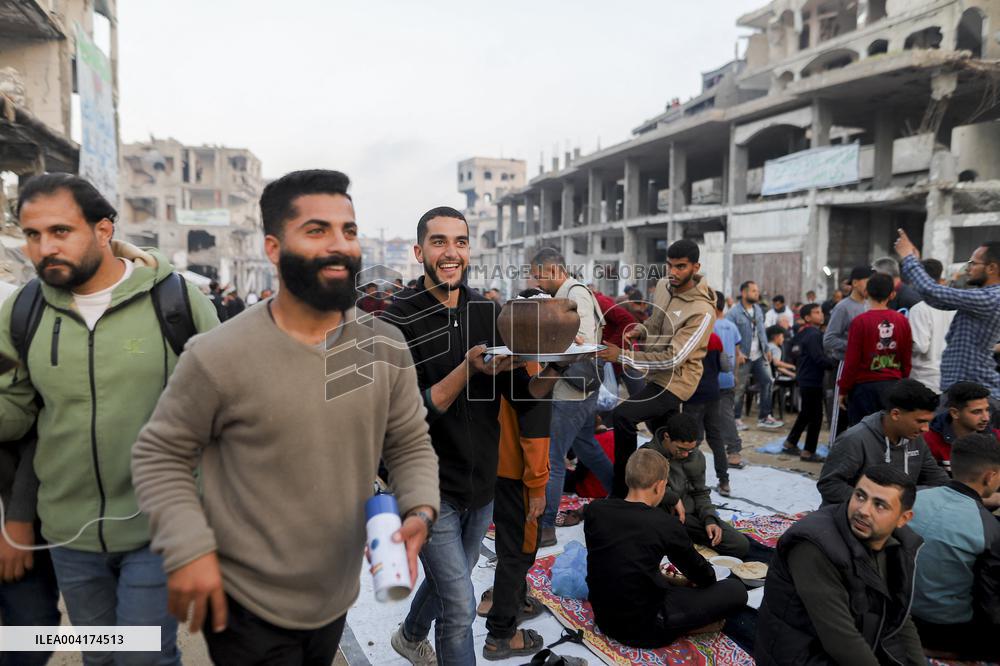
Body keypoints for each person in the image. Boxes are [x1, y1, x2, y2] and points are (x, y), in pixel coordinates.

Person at [131, 170, 441, 664]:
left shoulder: (384, 346)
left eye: (349, 230)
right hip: (244, 606)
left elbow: (408, 442)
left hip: (336, 596)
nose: (340, 245)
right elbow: (158, 455)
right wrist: (188, 546)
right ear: (273, 248)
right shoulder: (218, 355)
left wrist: (419, 509)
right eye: (317, 231)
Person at [0, 173, 219, 665]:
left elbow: (228, 408)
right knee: (99, 657)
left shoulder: (177, 302)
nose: (43, 248)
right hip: (69, 534)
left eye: (60, 231)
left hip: (159, 526)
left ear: (103, 230)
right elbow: (13, 414)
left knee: (143, 656)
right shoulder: (24, 309)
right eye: (32, 235)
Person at [384, 206, 555, 665]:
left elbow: (523, 395)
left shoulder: (488, 311)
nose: (450, 252)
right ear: (420, 251)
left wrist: (557, 365)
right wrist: (466, 369)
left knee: (448, 583)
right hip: (425, 487)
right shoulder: (396, 321)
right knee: (460, 605)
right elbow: (401, 416)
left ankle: (410, 634)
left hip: (481, 485)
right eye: (439, 242)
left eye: (459, 241)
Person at [755, 466, 926, 665]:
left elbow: (899, 616)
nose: (863, 511)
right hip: (803, 654)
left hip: (860, 636)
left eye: (879, 505)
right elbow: (841, 641)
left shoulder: (898, 545)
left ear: (903, 519)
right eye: (860, 496)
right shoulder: (814, 546)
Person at [584, 449, 747, 649]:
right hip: (647, 629)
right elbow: (703, 576)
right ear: (660, 485)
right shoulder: (664, 523)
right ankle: (690, 626)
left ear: (628, 479)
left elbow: (617, 558)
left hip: (604, 618)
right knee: (735, 590)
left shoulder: (595, 510)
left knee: (655, 583)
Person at [598, 240, 716, 498]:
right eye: (670, 266)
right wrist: (640, 330)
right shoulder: (663, 286)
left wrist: (624, 356)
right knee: (668, 440)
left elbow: (673, 359)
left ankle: (623, 491)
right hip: (654, 374)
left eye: (681, 267)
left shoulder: (702, 311)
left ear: (696, 267)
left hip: (677, 382)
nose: (673, 272)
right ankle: (674, 495)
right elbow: (655, 321)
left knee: (623, 416)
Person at [530, 247, 611, 548]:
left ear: (552, 271)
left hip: (571, 391)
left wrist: (548, 331)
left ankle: (547, 525)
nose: (536, 281)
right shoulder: (563, 295)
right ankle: (619, 494)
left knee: (554, 458)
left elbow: (585, 343)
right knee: (586, 445)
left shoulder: (575, 295)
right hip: (579, 389)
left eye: (538, 275)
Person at [908, 433, 1000, 661]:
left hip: (900, 614)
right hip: (946, 632)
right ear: (990, 476)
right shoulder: (988, 528)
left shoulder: (913, 498)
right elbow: (991, 604)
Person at [895, 230, 1000, 415]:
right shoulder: (984, 296)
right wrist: (916, 262)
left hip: (974, 396)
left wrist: (908, 259)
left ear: (991, 268)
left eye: (973, 263)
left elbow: (932, 291)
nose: (968, 268)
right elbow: (937, 300)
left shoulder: (991, 297)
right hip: (963, 391)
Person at [817, 379, 948, 506]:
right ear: (895, 414)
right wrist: (876, 504)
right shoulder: (855, 439)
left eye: (928, 422)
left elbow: (938, 480)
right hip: (853, 518)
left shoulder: (916, 439)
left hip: (895, 517)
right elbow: (829, 484)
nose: (926, 429)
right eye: (920, 421)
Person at [642, 414, 750, 557]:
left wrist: (709, 519)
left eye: (690, 450)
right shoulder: (647, 455)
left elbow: (700, 492)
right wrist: (673, 498)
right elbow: (646, 491)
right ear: (667, 437)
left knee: (739, 545)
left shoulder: (695, 455)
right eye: (680, 449)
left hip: (690, 518)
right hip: (665, 517)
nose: (686, 454)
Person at [838, 272, 912, 427]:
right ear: (892, 295)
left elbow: (851, 360)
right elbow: (906, 357)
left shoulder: (860, 322)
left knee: (863, 434)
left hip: (864, 388)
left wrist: (843, 389)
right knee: (889, 434)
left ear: (866, 292)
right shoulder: (902, 320)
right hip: (893, 384)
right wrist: (901, 380)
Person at [682, 326, 733, 497]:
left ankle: (691, 481)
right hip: (713, 393)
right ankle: (724, 481)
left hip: (693, 394)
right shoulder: (715, 339)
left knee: (691, 440)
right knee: (716, 437)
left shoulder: (688, 338)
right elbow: (726, 366)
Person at [824, 266, 872, 441]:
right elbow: (829, 340)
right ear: (855, 283)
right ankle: (834, 450)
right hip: (843, 365)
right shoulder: (843, 307)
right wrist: (855, 346)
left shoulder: (870, 305)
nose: (870, 286)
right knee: (840, 412)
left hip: (864, 368)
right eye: (867, 281)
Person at [726, 280, 783, 430]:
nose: (757, 293)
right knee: (739, 388)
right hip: (743, 356)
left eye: (757, 291)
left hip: (759, 355)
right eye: (753, 291)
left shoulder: (758, 310)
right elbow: (730, 335)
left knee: (768, 381)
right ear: (744, 293)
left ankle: (765, 417)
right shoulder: (733, 313)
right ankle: (735, 419)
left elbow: (762, 331)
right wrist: (737, 353)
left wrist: (767, 349)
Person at [782, 303, 833, 462]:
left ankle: (790, 442)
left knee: (806, 413)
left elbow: (794, 353)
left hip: (804, 377)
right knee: (816, 416)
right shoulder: (814, 334)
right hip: (812, 379)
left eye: (820, 312)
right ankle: (809, 451)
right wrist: (835, 363)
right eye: (816, 312)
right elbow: (818, 358)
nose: (821, 315)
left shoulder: (801, 333)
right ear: (807, 318)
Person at [923, 381, 1000, 470]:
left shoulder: (997, 438)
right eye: (976, 412)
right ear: (955, 413)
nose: (986, 418)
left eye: (987, 410)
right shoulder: (929, 441)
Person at [907, 258, 955, 393]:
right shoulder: (953, 305)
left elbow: (920, 346)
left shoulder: (919, 309)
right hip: (949, 376)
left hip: (924, 379)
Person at [712, 290, 745, 472]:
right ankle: (733, 451)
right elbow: (738, 354)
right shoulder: (732, 326)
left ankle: (733, 451)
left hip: (711, 378)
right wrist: (736, 376)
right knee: (726, 416)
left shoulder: (708, 326)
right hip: (728, 378)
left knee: (700, 414)